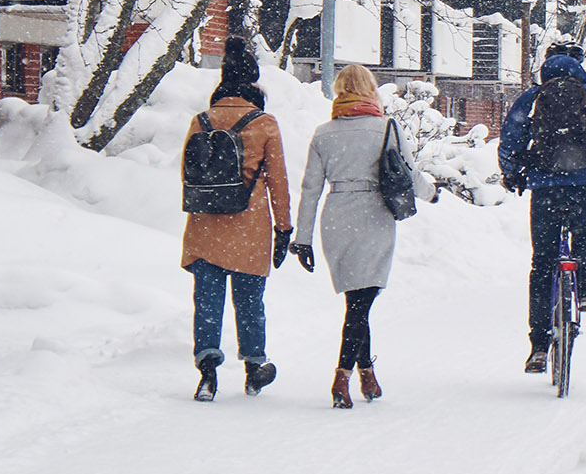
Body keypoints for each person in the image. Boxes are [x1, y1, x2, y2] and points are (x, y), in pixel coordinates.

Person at [290, 65, 424, 408]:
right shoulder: (386, 128)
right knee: (360, 304)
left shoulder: (323, 134)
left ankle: (367, 373)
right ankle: (342, 376)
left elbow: (310, 189)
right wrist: (432, 193)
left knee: (357, 301)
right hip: (374, 214)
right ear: (370, 90)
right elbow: (409, 172)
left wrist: (303, 238)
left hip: (337, 216)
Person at [499, 45, 586, 374]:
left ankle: (539, 347)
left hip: (545, 186)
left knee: (542, 264)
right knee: (583, 229)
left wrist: (512, 173)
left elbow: (511, 137)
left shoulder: (532, 98)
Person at [180, 36, 292, 402]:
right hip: (250, 226)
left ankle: (208, 371)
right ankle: (254, 368)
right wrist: (284, 229)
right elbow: (278, 182)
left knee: (207, 301)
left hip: (205, 224)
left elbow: (187, 171)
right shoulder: (264, 123)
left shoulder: (201, 120)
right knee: (249, 301)